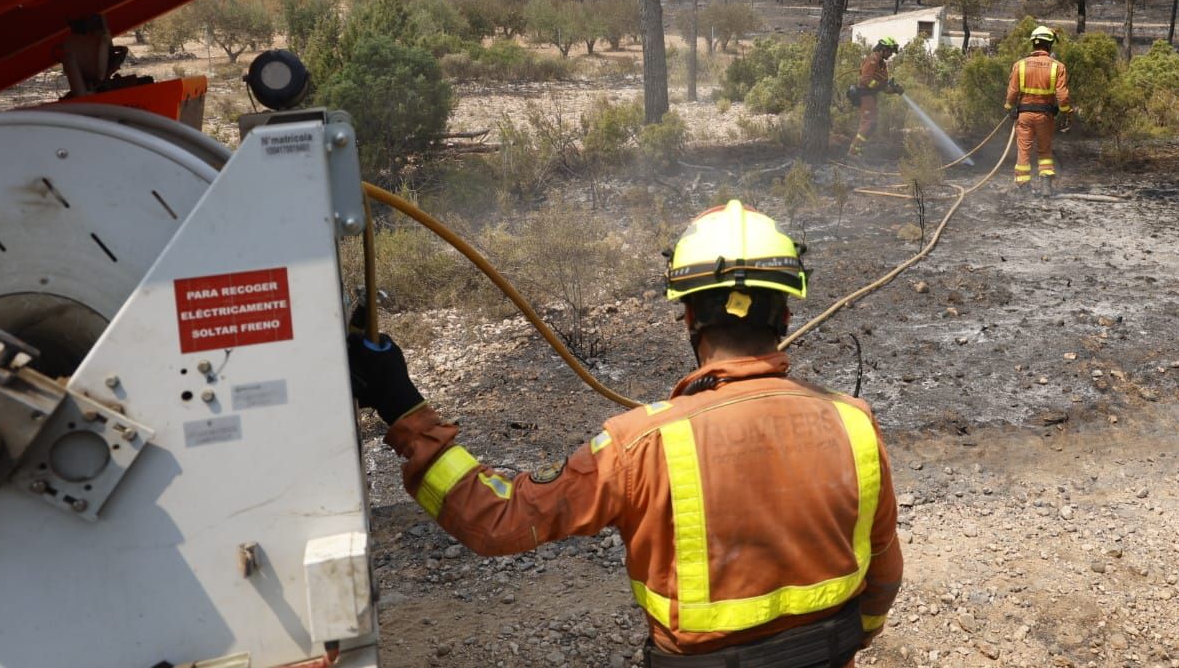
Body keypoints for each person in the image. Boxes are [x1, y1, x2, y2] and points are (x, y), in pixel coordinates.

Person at [346, 200, 902, 667]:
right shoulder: (855, 422)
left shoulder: (641, 444)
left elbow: (499, 521)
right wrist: (851, 640)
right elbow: (882, 571)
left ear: (688, 318)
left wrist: (403, 408)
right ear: (784, 314)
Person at [1004, 25, 1071, 192]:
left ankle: (1023, 186)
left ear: (1033, 44)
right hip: (1045, 116)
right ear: (1049, 45)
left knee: (1023, 149)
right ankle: (1046, 186)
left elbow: (1012, 91)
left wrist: (1009, 107)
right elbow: (1062, 95)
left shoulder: (1020, 65)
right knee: (1044, 150)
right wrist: (1066, 112)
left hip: (1024, 116)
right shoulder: (1058, 67)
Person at [848, 37, 903, 157]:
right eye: (890, 51)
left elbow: (883, 86)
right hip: (864, 95)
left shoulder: (882, 64)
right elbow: (865, 79)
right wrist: (879, 86)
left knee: (872, 124)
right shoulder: (873, 59)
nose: (891, 54)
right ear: (883, 49)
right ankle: (853, 152)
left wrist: (893, 89)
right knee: (868, 122)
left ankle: (858, 150)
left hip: (871, 96)